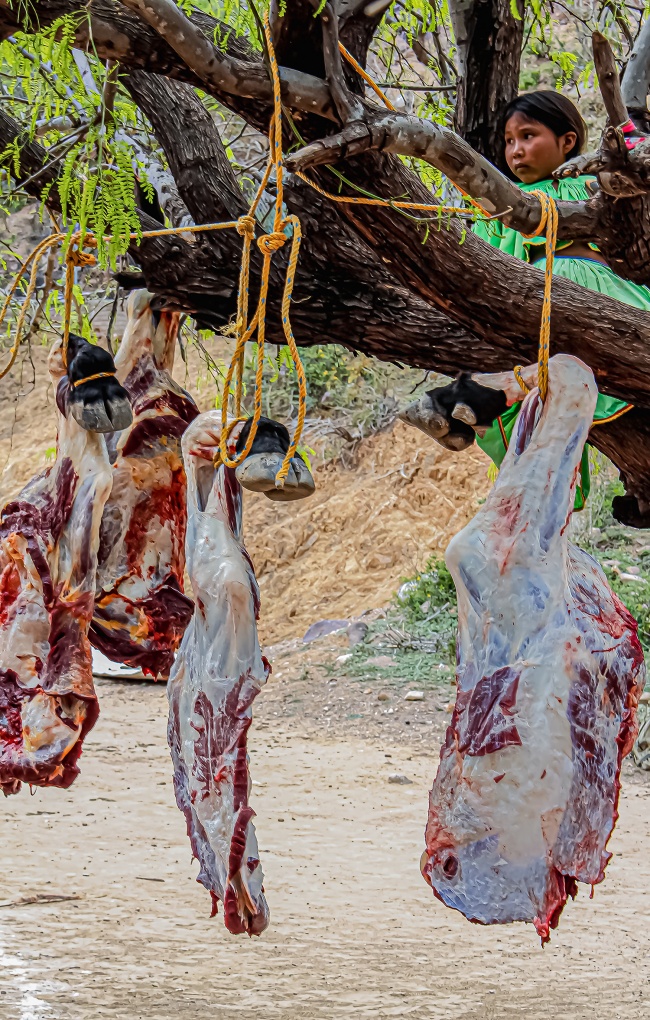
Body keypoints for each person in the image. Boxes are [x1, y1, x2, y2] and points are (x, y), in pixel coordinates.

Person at [472, 90, 650, 509]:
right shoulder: (501, 202)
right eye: (509, 141)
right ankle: (549, 486)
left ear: (567, 142)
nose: (516, 150)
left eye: (528, 136)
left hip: (606, 297)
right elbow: (478, 262)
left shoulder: (599, 184)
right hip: (536, 305)